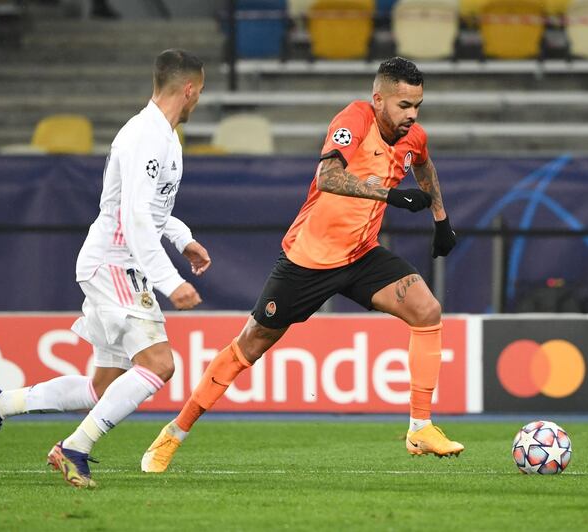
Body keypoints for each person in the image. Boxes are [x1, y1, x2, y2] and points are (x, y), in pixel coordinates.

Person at [140, 57, 462, 474]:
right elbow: (329, 176)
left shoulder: (412, 135)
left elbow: (423, 164)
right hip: (308, 260)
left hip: (361, 253)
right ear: (378, 99)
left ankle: (420, 426)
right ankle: (173, 434)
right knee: (249, 346)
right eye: (404, 106)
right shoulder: (355, 119)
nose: (412, 115)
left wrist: (442, 220)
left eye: (417, 106)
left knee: (427, 310)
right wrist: (391, 197)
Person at [0, 49, 211, 488]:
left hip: (120, 262)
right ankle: (74, 447)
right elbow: (133, 218)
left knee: (101, 387)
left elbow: (152, 211)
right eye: (200, 93)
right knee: (160, 364)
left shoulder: (166, 138)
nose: (198, 102)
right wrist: (170, 281)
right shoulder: (144, 137)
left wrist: (182, 238)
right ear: (189, 89)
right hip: (115, 261)